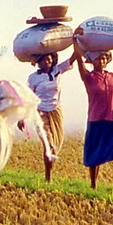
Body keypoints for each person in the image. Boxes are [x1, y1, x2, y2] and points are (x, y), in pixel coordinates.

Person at [75, 49, 113, 193]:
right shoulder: (88, 77)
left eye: (105, 58)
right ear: (92, 61)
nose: (102, 62)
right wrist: (75, 41)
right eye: (98, 59)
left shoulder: (111, 76)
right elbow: (79, 61)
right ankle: (93, 185)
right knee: (94, 154)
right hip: (96, 119)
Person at [27, 48, 78, 183]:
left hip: (56, 111)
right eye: (44, 59)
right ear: (38, 61)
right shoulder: (33, 78)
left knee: (57, 143)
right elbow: (28, 97)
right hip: (40, 113)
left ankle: (50, 170)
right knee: (49, 145)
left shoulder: (57, 70)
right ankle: (48, 177)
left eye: (49, 58)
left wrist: (76, 40)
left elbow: (74, 57)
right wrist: (23, 118)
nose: (48, 61)